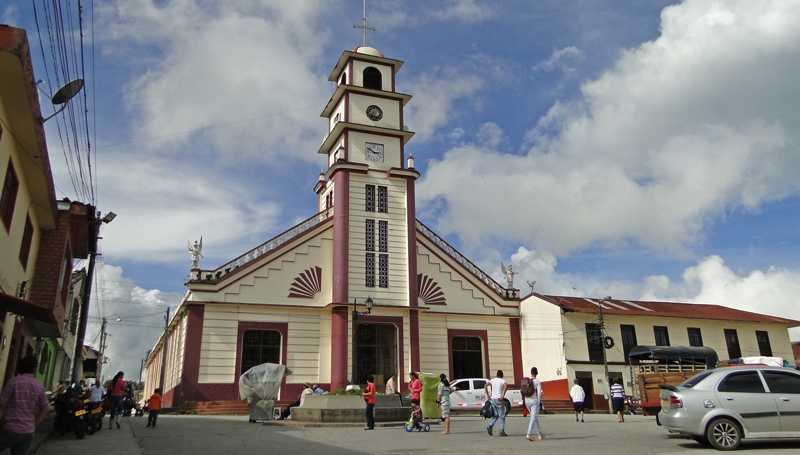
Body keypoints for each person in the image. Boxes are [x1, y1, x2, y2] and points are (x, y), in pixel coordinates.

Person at [0, 357, 50, 455]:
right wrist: (33, 425)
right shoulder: (39, 386)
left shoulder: (13, 382)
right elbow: (46, 409)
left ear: (19, 368)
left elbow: (2, 406)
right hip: (28, 432)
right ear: (34, 369)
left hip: (10, 429)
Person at [484, 370, 508, 437]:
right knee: (502, 416)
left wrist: (488, 394)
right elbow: (506, 386)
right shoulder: (503, 381)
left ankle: (490, 425)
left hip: (493, 399)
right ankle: (501, 431)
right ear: (502, 375)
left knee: (496, 414)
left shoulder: (492, 380)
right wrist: (503, 395)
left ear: (496, 375)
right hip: (499, 399)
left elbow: (485, 385)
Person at [524, 367, 544, 441]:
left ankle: (539, 434)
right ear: (537, 373)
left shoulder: (527, 380)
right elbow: (539, 393)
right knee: (533, 417)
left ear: (530, 373)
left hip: (527, 400)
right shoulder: (537, 381)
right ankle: (529, 434)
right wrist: (538, 402)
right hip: (534, 400)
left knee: (534, 417)